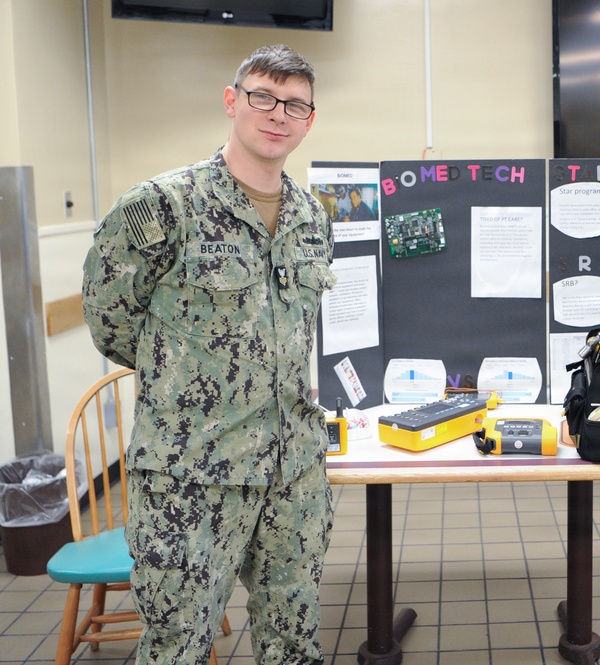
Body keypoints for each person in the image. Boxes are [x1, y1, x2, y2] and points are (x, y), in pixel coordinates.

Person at [82, 44, 336, 665]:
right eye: (263, 97)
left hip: (292, 472)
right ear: (233, 101)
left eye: (295, 104)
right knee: (179, 648)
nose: (278, 114)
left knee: (293, 642)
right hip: (191, 475)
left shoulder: (310, 217)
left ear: (309, 119)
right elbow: (111, 321)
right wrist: (186, 381)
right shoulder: (163, 207)